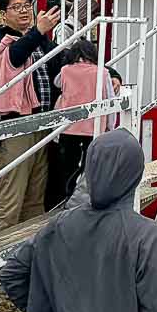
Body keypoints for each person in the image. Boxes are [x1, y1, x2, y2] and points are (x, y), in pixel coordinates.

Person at [1, 128, 157, 312]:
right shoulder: (146, 233)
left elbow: (12, 273)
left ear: (90, 171)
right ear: (134, 175)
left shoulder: (61, 223)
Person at [0, 0, 63, 228]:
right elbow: (13, 58)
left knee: (35, 198)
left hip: (42, 123)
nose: (23, 11)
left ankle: (29, 253)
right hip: (15, 126)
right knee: (11, 198)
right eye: (16, 7)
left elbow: (63, 58)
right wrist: (38, 31)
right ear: (3, 14)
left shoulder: (39, 40)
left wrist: (108, 72)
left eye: (27, 6)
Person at [46, 39, 119, 210]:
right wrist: (110, 126)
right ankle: (86, 202)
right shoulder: (102, 73)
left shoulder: (65, 70)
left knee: (69, 167)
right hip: (93, 128)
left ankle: (69, 199)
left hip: (69, 128)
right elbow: (109, 100)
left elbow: (57, 83)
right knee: (89, 168)